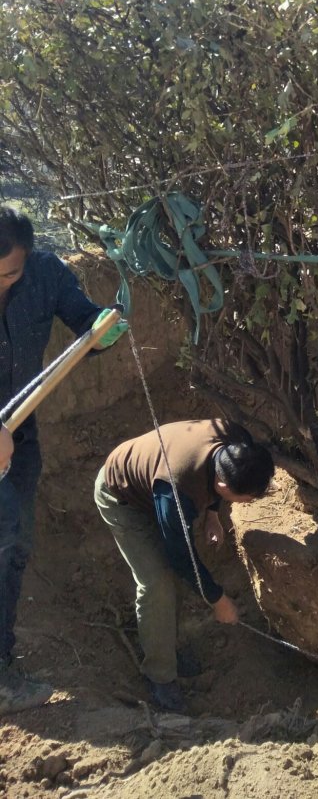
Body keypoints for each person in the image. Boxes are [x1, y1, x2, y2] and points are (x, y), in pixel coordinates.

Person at [0, 206, 128, 714]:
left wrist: (100, 328)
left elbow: (83, 321)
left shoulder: (47, 273)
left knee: (15, 547)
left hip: (20, 436)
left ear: (27, 259)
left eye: (9, 274)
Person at [94, 418, 275, 713]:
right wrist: (217, 599)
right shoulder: (177, 488)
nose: (249, 502)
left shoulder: (235, 441)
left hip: (154, 484)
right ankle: (160, 675)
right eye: (246, 498)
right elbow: (181, 556)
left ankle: (167, 648)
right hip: (121, 497)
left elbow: (218, 484)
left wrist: (213, 515)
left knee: (171, 576)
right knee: (158, 582)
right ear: (222, 485)